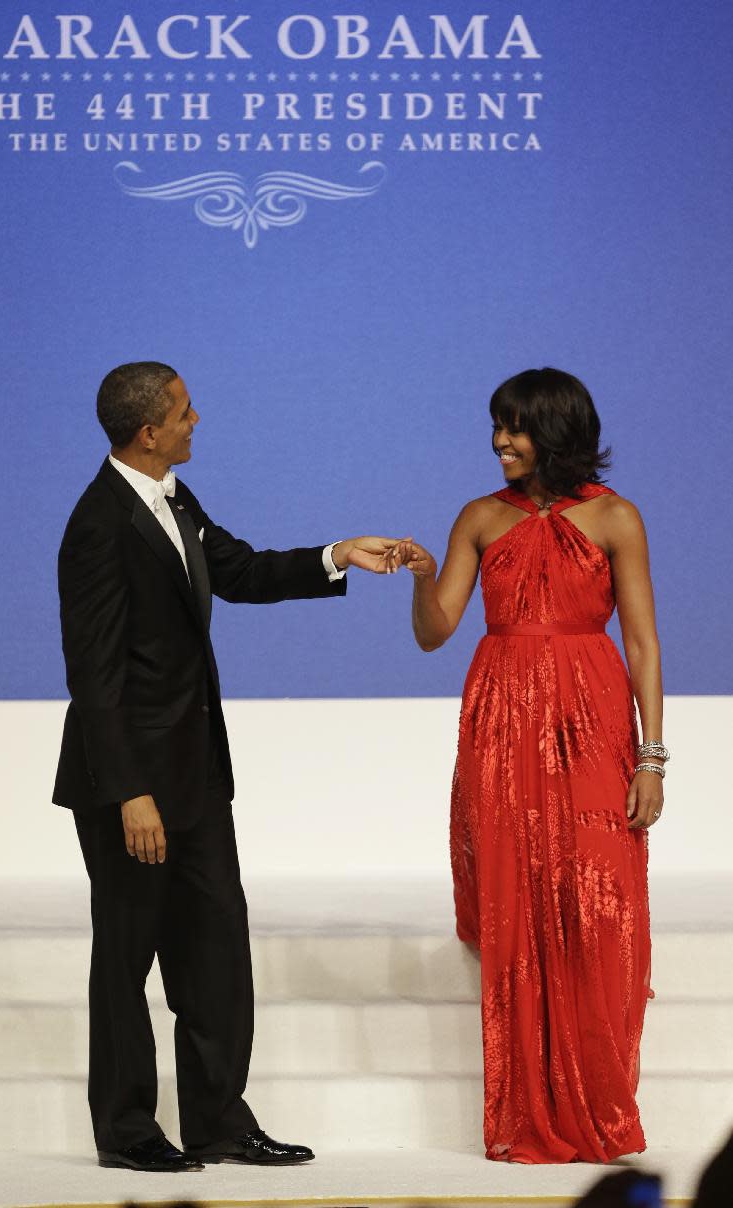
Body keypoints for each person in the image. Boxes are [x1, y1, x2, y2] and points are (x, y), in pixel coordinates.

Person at [53, 361, 404, 1173]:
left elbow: (237, 570)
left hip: (197, 776)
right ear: (148, 432)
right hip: (130, 785)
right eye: (183, 411)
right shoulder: (99, 524)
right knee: (127, 955)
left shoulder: (174, 497)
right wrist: (130, 791)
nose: (195, 419)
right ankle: (129, 1131)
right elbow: (94, 672)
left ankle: (216, 1120)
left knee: (214, 951)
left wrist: (337, 554)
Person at [395, 368, 664, 1163]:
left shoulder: (616, 518)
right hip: (502, 723)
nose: (499, 441)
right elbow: (435, 631)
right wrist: (419, 578)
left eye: (514, 427)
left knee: (600, 899)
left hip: (593, 718)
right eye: (496, 427)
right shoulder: (479, 517)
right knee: (519, 897)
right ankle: (526, 1111)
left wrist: (651, 757)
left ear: (555, 428)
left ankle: (600, 1103)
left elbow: (643, 643)